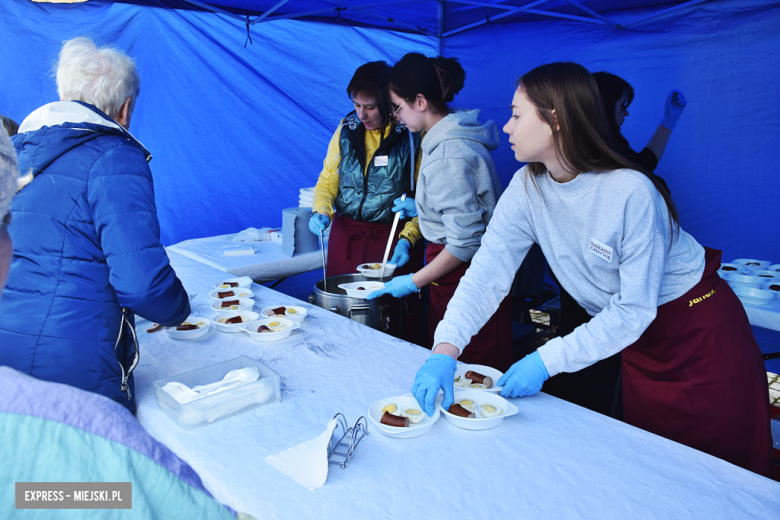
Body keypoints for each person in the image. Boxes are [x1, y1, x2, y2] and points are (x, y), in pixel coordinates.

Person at [412, 62, 771, 476]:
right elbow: (487, 273)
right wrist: (446, 349)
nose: (506, 127)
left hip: (697, 335)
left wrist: (544, 361)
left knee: (718, 473)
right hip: (638, 342)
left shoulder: (630, 191)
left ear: (557, 120)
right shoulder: (528, 186)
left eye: (516, 115)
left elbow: (633, 309)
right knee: (657, 467)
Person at [0, 37, 190, 414]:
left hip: (8, 350)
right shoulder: (116, 156)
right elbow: (143, 284)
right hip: (74, 362)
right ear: (125, 107)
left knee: (26, 466)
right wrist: (180, 310)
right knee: (91, 469)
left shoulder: (14, 148)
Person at [543, 73, 688, 417]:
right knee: (590, 350)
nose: (626, 114)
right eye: (623, 106)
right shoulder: (588, 156)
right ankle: (582, 413)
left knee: (583, 344)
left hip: (590, 274)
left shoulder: (608, 146)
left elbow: (642, 163)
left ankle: (574, 407)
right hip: (593, 276)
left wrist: (667, 123)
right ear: (602, 107)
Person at [368, 53, 512, 372]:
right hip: (464, 271)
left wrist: (413, 281)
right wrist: (422, 206)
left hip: (463, 273)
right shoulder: (448, 140)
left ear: (419, 101)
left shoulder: (447, 154)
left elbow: (463, 244)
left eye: (397, 108)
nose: (396, 118)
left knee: (470, 369)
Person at [308, 61, 423, 279]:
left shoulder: (411, 133)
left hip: (393, 240)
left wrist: (408, 238)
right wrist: (321, 211)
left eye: (370, 107)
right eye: (356, 105)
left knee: (389, 307)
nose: (362, 115)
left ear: (389, 103)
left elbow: (424, 198)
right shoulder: (347, 128)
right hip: (346, 238)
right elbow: (329, 178)